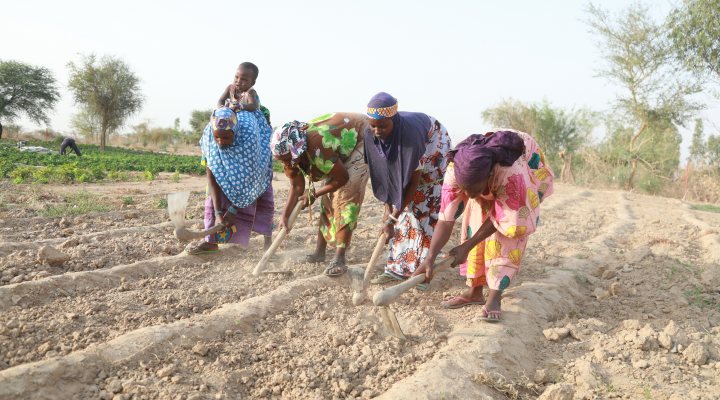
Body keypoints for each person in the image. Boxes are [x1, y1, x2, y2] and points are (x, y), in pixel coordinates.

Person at [413, 130, 555, 321]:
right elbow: (446, 219)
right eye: (464, 189)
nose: (469, 195)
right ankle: (474, 292)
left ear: (489, 175)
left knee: (509, 232)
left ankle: (495, 296)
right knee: (474, 218)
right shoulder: (455, 169)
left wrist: (467, 246)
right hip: (487, 172)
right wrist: (429, 258)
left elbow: (509, 218)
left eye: (475, 190)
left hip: (525, 163)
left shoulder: (511, 173)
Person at [363, 92, 451, 286]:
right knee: (398, 210)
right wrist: (389, 212)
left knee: (422, 205)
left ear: (394, 120)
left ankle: (420, 273)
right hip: (409, 145)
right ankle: (397, 268)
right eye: (373, 126)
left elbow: (412, 180)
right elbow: (382, 174)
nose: (377, 131)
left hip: (432, 143)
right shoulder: (370, 134)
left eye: (383, 126)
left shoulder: (411, 136)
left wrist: (394, 217)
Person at [271, 113, 370, 276]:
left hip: (360, 137)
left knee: (346, 198)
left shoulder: (317, 143)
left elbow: (342, 178)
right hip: (335, 151)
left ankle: (339, 257)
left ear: (298, 151)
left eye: (288, 159)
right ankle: (319, 253)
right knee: (327, 201)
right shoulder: (289, 154)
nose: (286, 164)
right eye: (282, 160)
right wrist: (285, 215)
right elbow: (296, 186)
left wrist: (314, 193)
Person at [186, 106, 274, 254]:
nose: (220, 141)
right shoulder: (211, 145)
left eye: (226, 137)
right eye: (217, 137)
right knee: (212, 201)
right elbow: (211, 178)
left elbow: (250, 183)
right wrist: (219, 213)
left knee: (263, 206)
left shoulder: (249, 144)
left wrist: (233, 210)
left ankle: (268, 244)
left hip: (257, 174)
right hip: (226, 181)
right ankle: (211, 243)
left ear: (235, 132)